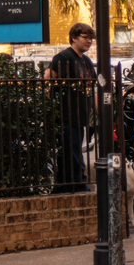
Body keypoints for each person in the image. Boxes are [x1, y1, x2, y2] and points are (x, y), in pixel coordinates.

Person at [45, 23, 96, 193]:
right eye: (85, 37)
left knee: (71, 151)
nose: (89, 41)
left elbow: (92, 88)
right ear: (74, 38)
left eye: (91, 38)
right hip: (65, 115)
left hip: (81, 116)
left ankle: (63, 188)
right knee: (71, 152)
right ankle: (78, 184)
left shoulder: (87, 61)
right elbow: (46, 80)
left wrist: (99, 114)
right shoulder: (63, 58)